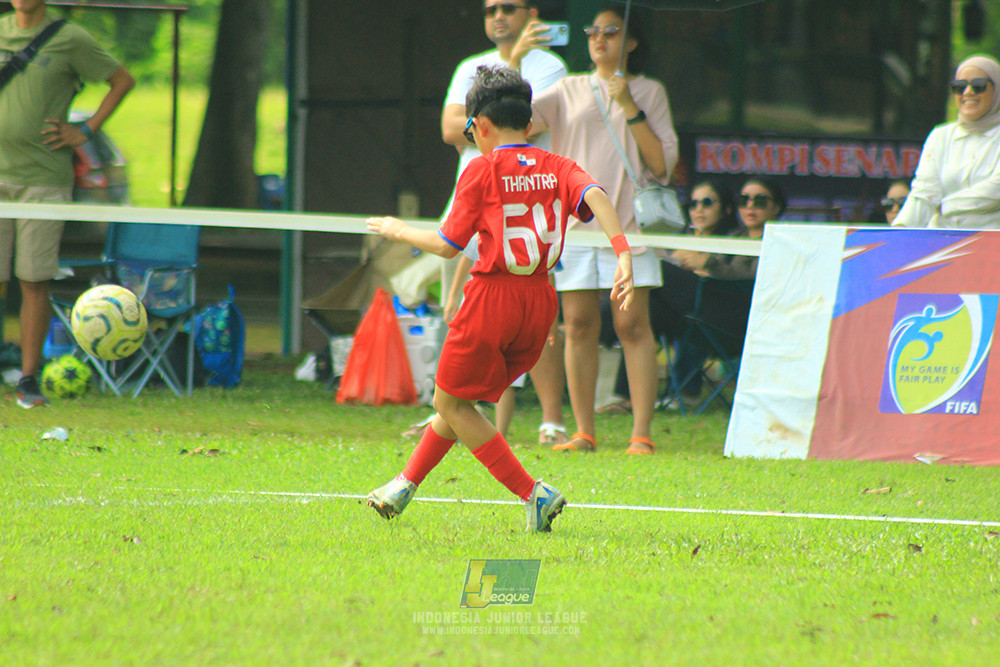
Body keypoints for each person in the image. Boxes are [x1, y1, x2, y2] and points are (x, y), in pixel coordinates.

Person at [365, 65, 634, 532]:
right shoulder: (559, 166)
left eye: (470, 130)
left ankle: (534, 494)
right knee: (458, 402)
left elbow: (448, 244)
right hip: (539, 303)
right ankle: (403, 486)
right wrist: (623, 253)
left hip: (493, 297)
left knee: (450, 402)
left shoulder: (481, 169)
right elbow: (599, 198)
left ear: (480, 127)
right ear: (529, 125)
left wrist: (397, 229)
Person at [400, 0, 570, 445]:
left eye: (509, 7)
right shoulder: (470, 65)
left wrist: (394, 228)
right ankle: (452, 410)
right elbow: (450, 128)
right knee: (459, 317)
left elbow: (522, 123)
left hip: (519, 208)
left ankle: (550, 418)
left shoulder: (549, 65)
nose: (498, 15)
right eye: (490, 8)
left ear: (531, 14)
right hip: (470, 204)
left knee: (536, 321)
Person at [530, 4, 678, 455]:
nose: (599, 40)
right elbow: (519, 120)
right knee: (577, 324)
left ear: (631, 42)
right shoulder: (566, 88)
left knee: (632, 323)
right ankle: (583, 431)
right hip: (574, 224)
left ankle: (641, 434)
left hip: (629, 226)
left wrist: (629, 105)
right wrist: (517, 59)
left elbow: (662, 166)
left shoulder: (650, 92)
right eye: (593, 32)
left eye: (611, 33)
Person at [0, 0, 134, 408]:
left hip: (43, 180)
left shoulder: (69, 38)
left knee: (33, 279)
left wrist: (86, 130)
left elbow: (122, 80)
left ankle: (27, 379)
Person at [893, 55, 1000, 229]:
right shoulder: (940, 136)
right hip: (941, 246)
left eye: (978, 85)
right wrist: (899, 231)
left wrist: (946, 205)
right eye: (960, 86)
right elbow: (925, 192)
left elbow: (995, 191)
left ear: (996, 90)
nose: (968, 92)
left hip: (991, 246)